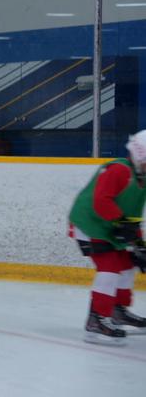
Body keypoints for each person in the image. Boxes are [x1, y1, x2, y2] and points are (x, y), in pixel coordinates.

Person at [69, 130, 146, 346]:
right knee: (110, 267)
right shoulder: (118, 170)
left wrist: (138, 243)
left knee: (128, 264)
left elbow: (134, 213)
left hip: (109, 224)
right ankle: (96, 318)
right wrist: (122, 224)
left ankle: (117, 311)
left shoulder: (142, 179)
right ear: (141, 156)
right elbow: (100, 201)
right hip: (89, 224)